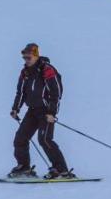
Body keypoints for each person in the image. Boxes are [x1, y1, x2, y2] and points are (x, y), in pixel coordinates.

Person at [9, 43, 72, 179]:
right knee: (20, 138)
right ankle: (24, 167)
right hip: (32, 110)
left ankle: (61, 170)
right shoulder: (25, 72)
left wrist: (52, 113)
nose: (26, 60)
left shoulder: (47, 69)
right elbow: (20, 92)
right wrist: (15, 109)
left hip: (46, 111)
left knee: (44, 139)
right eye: (24, 58)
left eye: (28, 57)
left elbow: (56, 92)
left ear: (36, 56)